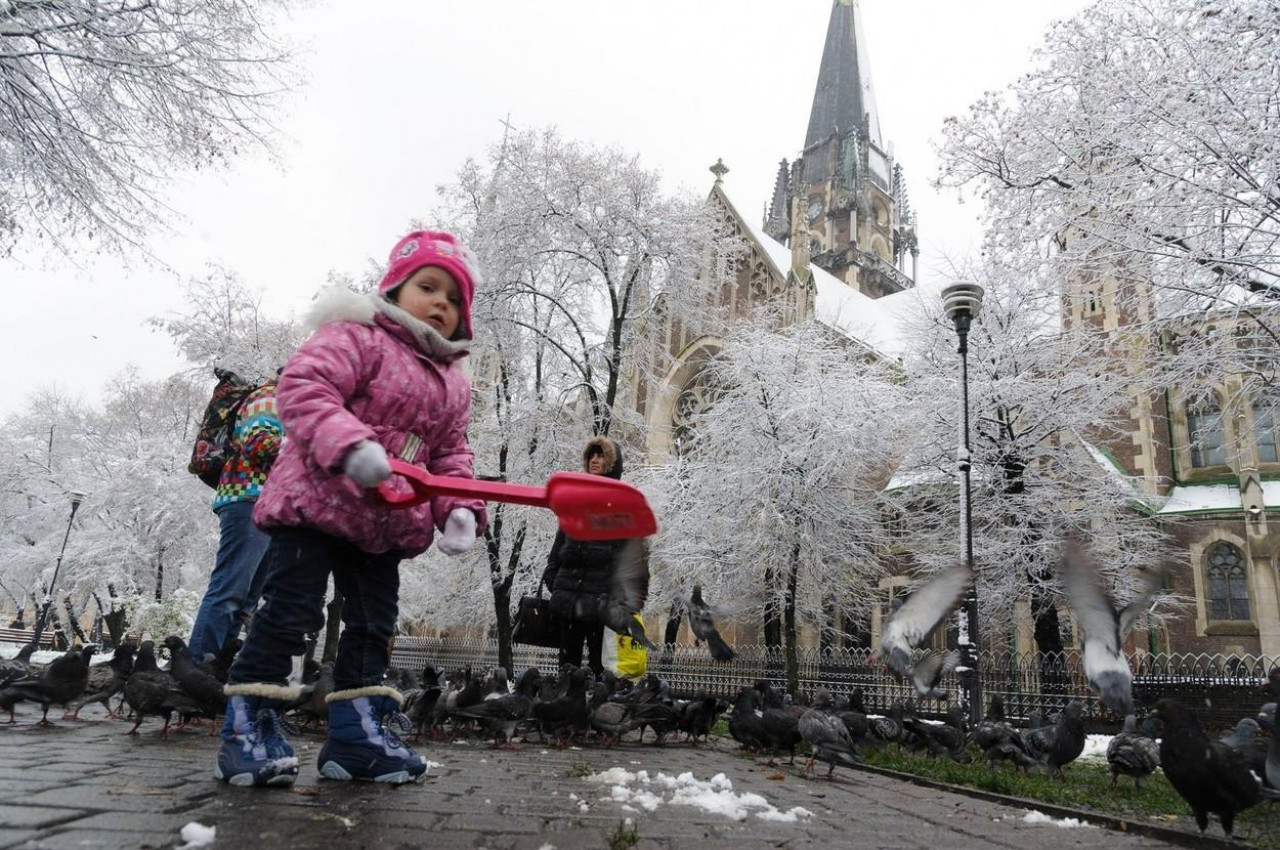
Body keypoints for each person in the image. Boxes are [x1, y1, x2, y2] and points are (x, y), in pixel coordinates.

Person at [215, 231, 488, 787]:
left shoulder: (454, 386)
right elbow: (306, 388)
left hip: (385, 525)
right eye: (428, 287)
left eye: (454, 298)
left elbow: (452, 454)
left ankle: (357, 738)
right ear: (393, 289)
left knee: (371, 629)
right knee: (289, 615)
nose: (441, 304)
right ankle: (249, 725)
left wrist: (458, 507)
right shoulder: (356, 336)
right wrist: (350, 445)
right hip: (315, 508)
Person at [188, 378, 282, 662]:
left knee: (247, 600)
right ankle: (197, 665)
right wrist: (311, 445)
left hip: (271, 505)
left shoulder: (295, 402)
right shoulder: (271, 395)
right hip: (248, 498)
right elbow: (259, 442)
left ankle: (217, 667)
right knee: (231, 588)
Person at [542, 436, 644, 676]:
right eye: (591, 456)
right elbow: (558, 547)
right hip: (569, 602)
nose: (594, 460)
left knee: (600, 671)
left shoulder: (621, 507)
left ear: (611, 463)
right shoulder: (576, 502)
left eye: (600, 456)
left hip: (600, 607)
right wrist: (554, 579)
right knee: (567, 671)